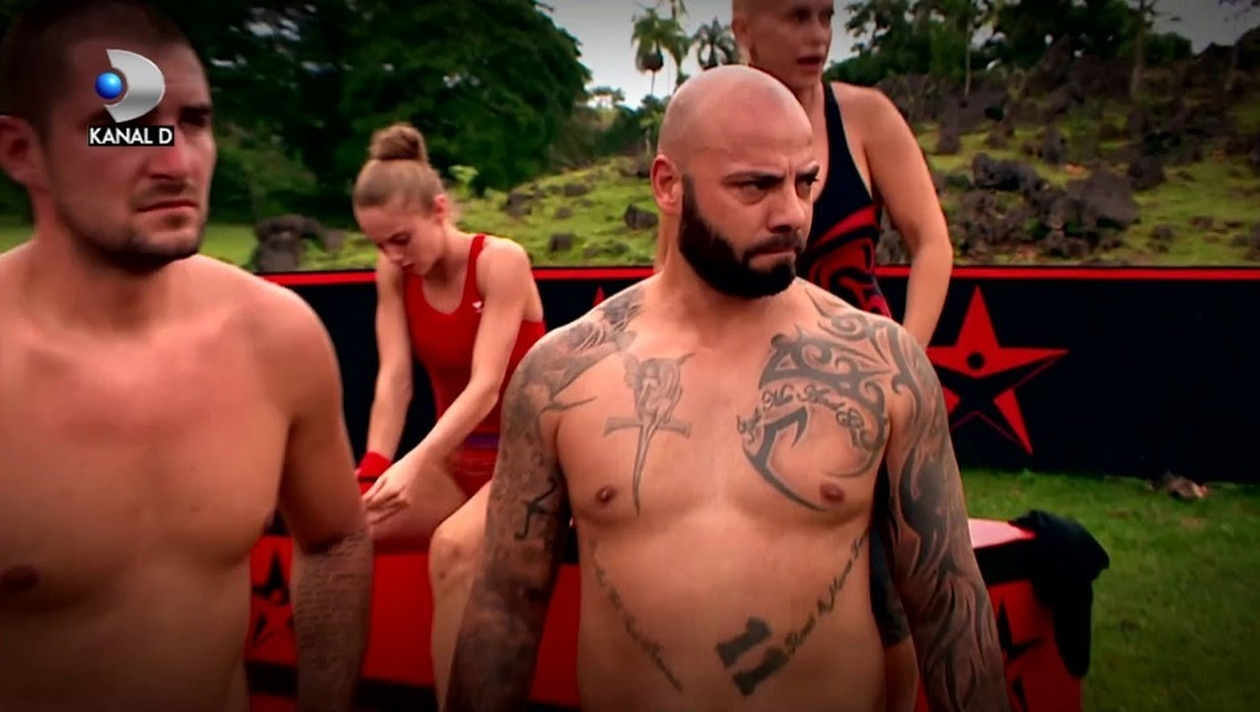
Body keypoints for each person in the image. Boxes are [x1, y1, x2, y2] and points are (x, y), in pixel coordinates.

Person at [445, 65, 1009, 712]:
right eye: (755, 186)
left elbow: (948, 604)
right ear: (668, 185)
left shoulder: (882, 365)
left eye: (805, 183)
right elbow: (505, 606)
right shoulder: (563, 375)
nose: (791, 214)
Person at [0, 2, 373, 712]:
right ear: (22, 151)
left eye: (193, 122)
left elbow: (335, 540)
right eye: (122, 126)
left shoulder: (277, 337)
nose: (174, 162)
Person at [724, 3, 958, 708]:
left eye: (826, 16)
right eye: (798, 16)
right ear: (744, 25)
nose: (819, 35)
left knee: (890, 600)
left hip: (866, 400)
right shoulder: (711, 129)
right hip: (755, 402)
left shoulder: (866, 117)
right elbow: (674, 273)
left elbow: (932, 243)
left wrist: (905, 362)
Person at [347, 122, 547, 702]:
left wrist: (412, 462)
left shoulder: (501, 260)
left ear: (439, 210)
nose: (392, 256)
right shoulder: (393, 273)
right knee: (334, 535)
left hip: (529, 462)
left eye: (401, 239)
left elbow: (486, 386)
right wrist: (373, 468)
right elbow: (394, 380)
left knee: (454, 549)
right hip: (458, 464)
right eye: (380, 245)